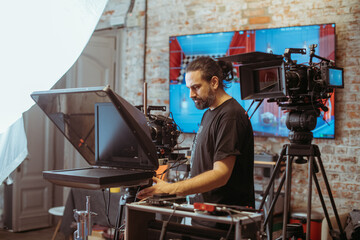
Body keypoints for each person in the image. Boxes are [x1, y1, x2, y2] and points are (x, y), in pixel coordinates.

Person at [137, 56, 255, 213]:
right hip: (204, 212)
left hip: (225, 218)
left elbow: (221, 174)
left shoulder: (230, 115)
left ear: (214, 82)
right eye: (189, 88)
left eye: (196, 87)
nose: (191, 94)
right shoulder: (210, 113)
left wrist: (172, 188)